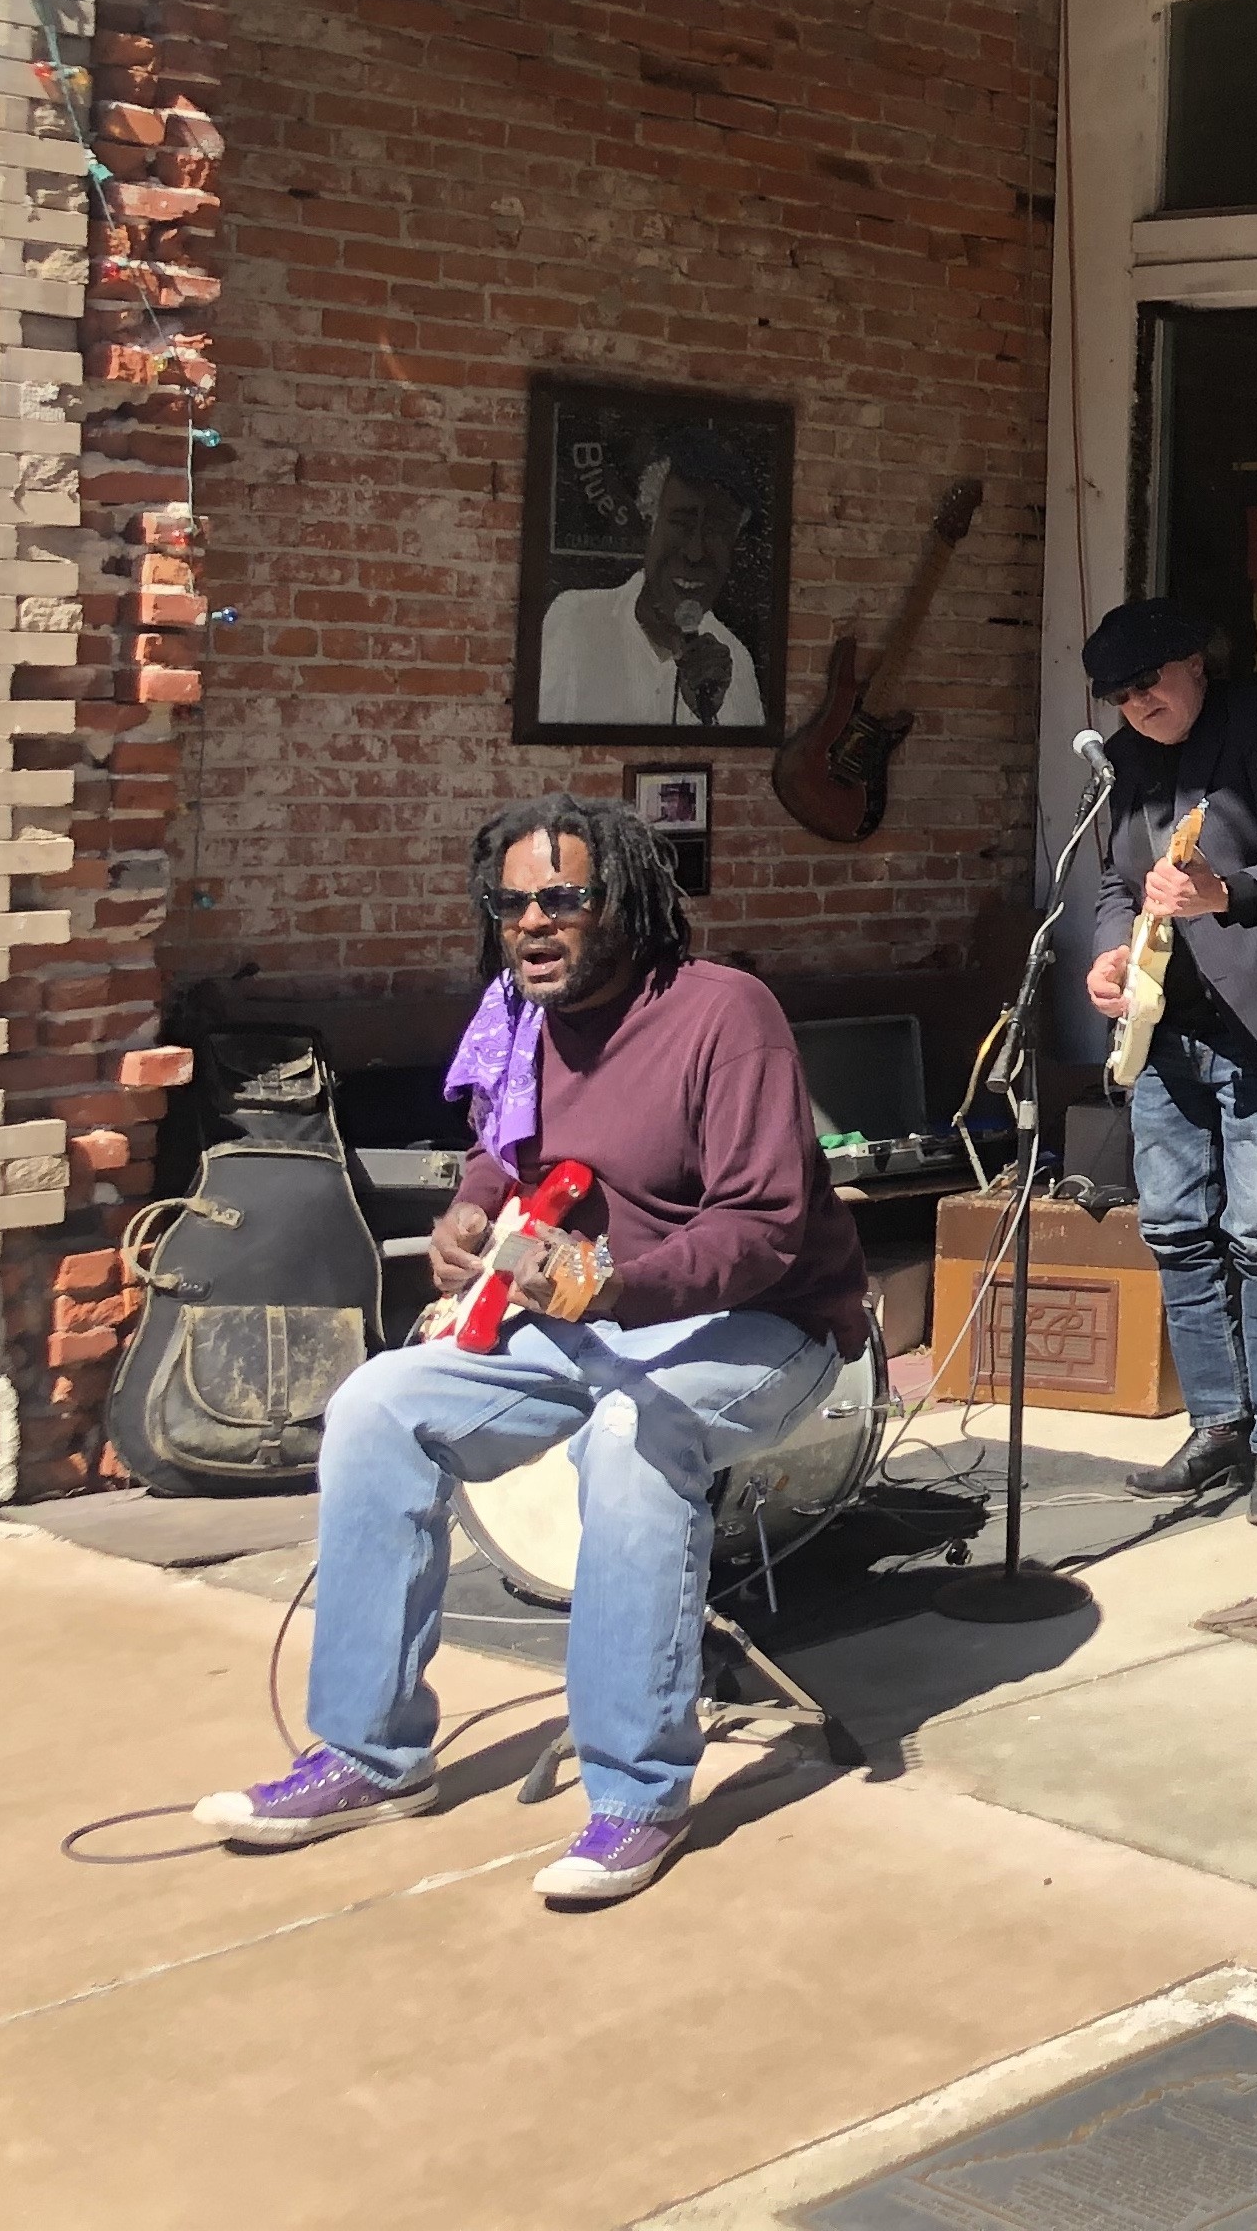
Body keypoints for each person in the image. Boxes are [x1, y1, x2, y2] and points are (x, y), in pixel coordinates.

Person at [194, 795, 868, 1907]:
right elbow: (500, 1154)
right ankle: (369, 1755)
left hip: (764, 1326)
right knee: (379, 1406)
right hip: (586, 1317)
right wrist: (471, 1214)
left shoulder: (722, 1012)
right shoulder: (518, 1016)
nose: (533, 924)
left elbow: (765, 1226)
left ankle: (638, 1792)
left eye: (563, 898)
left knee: (634, 1429)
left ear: (630, 903)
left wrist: (617, 1285)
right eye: (511, 905)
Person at [1079, 596, 1257, 1526]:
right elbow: (1116, 885)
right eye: (1118, 697)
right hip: (1166, 1030)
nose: (1137, 706)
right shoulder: (1123, 765)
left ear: (1195, 663)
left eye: (1148, 684)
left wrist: (1226, 894)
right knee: (1172, 1228)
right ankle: (1216, 1425)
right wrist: (1110, 954)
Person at [537, 426, 767, 729]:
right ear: (649, 522)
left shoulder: (736, 660)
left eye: (716, 530)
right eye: (681, 523)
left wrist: (708, 713)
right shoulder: (576, 622)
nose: (696, 552)